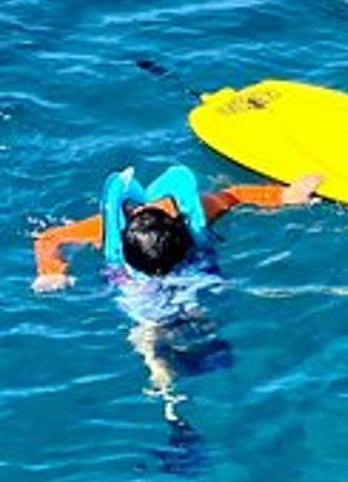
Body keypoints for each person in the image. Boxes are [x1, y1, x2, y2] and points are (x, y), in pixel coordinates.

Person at [29, 165, 320, 420]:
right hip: (160, 279)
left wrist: (286, 195)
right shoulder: (109, 229)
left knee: (155, 328)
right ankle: (169, 389)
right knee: (157, 329)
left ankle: (167, 385)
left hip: (168, 277)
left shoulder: (190, 216)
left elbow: (235, 196)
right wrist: (51, 271)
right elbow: (48, 239)